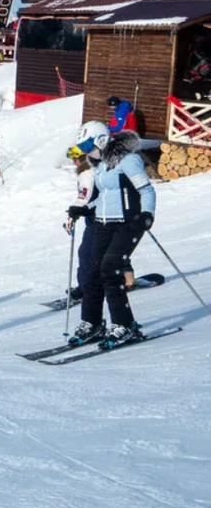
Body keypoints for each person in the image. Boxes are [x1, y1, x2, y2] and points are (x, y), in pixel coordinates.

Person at [65, 121, 156, 347]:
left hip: (128, 223)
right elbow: (104, 195)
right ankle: (92, 323)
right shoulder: (101, 165)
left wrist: (147, 215)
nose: (87, 150)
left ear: (101, 140)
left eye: (88, 144)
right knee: (92, 272)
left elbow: (146, 190)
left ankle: (125, 325)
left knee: (110, 269)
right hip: (103, 223)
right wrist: (85, 208)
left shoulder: (129, 160)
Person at [62, 155, 97, 304]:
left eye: (74, 158)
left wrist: (75, 212)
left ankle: (85, 288)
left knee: (86, 253)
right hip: (99, 217)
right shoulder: (95, 170)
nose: (73, 162)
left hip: (98, 220)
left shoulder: (86, 173)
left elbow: (84, 197)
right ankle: (125, 278)